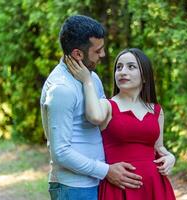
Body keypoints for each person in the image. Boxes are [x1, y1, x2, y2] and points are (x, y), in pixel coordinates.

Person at [40, 15, 144, 200]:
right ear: (78, 54)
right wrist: (105, 170)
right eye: (98, 51)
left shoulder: (91, 79)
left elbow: (107, 122)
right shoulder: (61, 89)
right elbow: (60, 153)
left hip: (99, 181)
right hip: (74, 187)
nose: (103, 55)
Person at [66, 48, 176, 199]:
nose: (123, 72)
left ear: (144, 76)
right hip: (119, 188)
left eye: (131, 67)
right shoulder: (107, 105)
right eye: (119, 67)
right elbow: (94, 117)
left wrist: (171, 157)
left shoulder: (156, 110)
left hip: (154, 186)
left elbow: (159, 147)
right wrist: (87, 81)